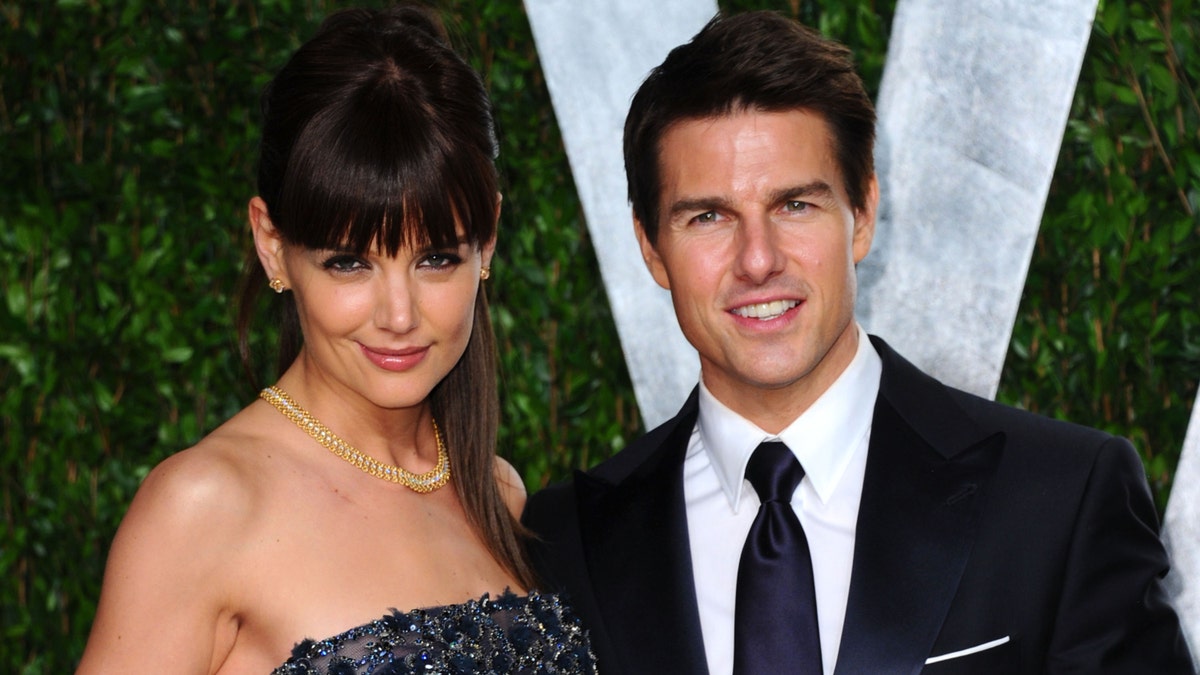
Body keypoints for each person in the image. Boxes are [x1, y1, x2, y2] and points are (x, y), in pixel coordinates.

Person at [523, 10, 1194, 675]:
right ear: (651, 249)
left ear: (863, 213)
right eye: (709, 216)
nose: (758, 260)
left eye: (795, 205)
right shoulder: (563, 543)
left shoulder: (1059, 500)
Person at [76, 6, 595, 674]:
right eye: (349, 262)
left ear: (487, 239)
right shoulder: (202, 510)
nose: (399, 314)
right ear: (273, 246)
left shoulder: (497, 494)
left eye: (435, 257)